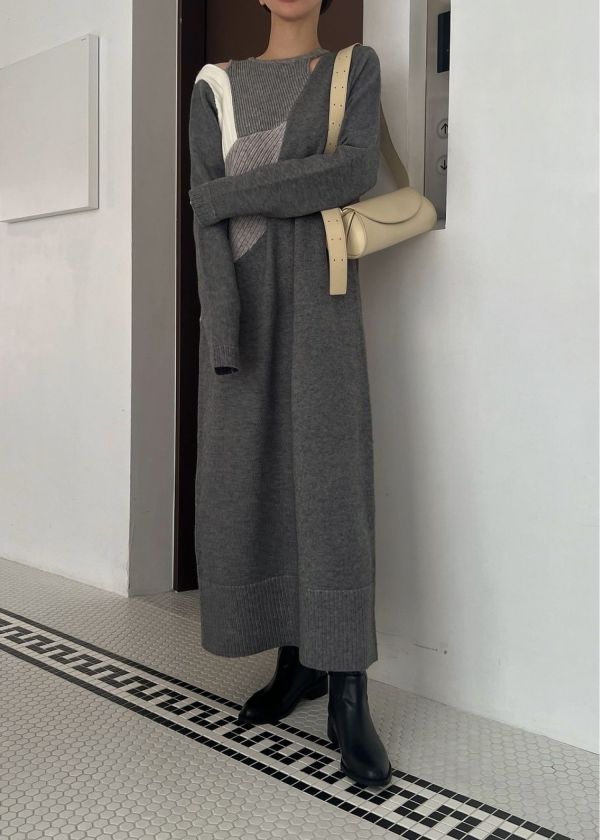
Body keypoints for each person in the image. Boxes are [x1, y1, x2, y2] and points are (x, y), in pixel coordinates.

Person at [188, 0, 392, 787]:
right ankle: (296, 660)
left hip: (322, 304)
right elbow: (206, 229)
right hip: (242, 310)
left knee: (333, 487)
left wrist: (227, 194)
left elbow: (352, 170)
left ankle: (349, 689)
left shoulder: (353, 69)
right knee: (254, 480)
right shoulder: (215, 85)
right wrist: (223, 328)